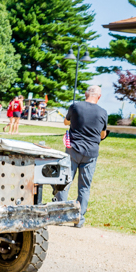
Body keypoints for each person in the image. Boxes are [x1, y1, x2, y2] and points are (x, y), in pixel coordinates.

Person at [55, 85, 108, 228]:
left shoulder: (75, 107)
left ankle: (60, 215)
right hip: (91, 153)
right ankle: (78, 218)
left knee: (65, 182)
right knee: (84, 186)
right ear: (99, 96)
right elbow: (102, 135)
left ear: (85, 94)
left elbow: (66, 122)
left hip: (73, 150)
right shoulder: (103, 112)